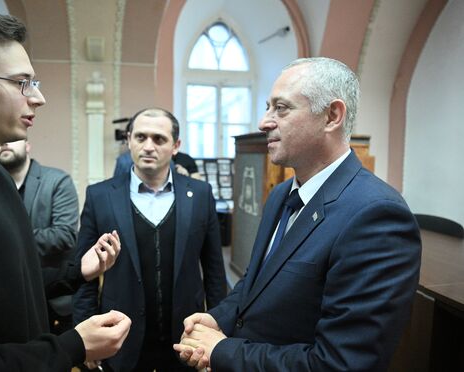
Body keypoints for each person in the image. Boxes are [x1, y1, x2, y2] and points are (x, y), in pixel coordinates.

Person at [0, 5, 130, 371]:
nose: (38, 97)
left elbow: (3, 291)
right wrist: (73, 347)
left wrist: (76, 272)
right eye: (21, 83)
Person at [174, 57, 422, 371]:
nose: (264, 122)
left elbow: (341, 363)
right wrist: (217, 317)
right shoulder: (281, 194)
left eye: (282, 108)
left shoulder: (377, 216)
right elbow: (255, 281)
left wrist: (223, 351)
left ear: (332, 115)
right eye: (267, 107)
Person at [74, 107, 227, 371]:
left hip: (185, 337)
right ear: (128, 140)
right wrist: (82, 336)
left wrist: (219, 330)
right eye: (141, 137)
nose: (148, 146)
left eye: (159, 139)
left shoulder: (200, 194)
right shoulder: (100, 196)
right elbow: (84, 275)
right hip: (120, 335)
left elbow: (214, 270)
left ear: (175, 146)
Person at [0, 139, 79, 334]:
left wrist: (5, 239)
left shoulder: (57, 180)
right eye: (0, 139)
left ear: (27, 145)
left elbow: (64, 235)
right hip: (6, 296)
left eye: (12, 138)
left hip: (53, 296)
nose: (5, 143)